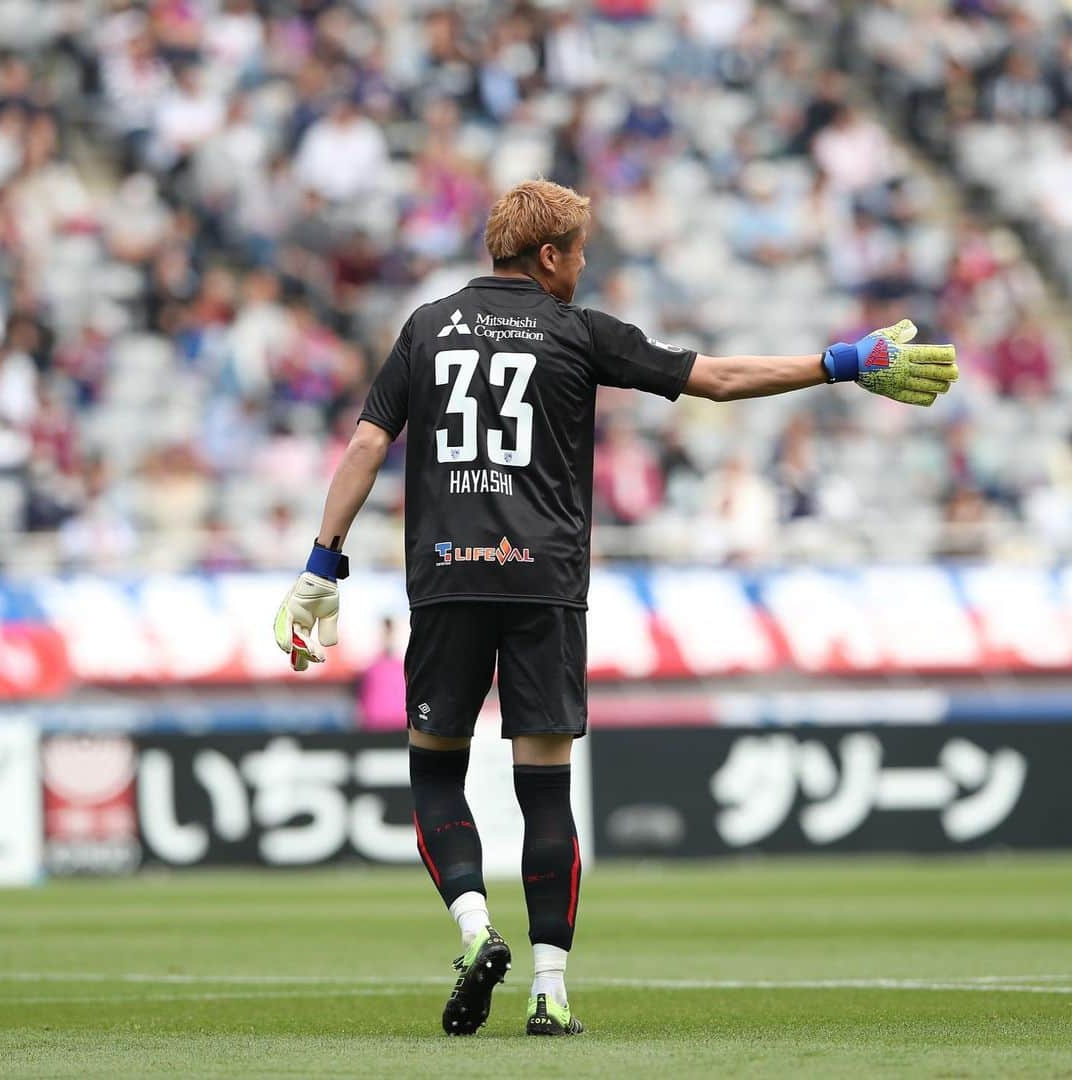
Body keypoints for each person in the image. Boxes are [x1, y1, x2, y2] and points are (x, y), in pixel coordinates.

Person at [273, 179, 957, 1037]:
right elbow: (717, 379)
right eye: (581, 250)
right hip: (544, 583)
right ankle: (550, 992)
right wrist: (839, 363)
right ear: (549, 255)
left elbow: (369, 443)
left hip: (448, 579)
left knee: (436, 772)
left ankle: (476, 931)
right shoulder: (579, 332)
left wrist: (321, 566)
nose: (585, 264)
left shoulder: (426, 325)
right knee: (546, 790)